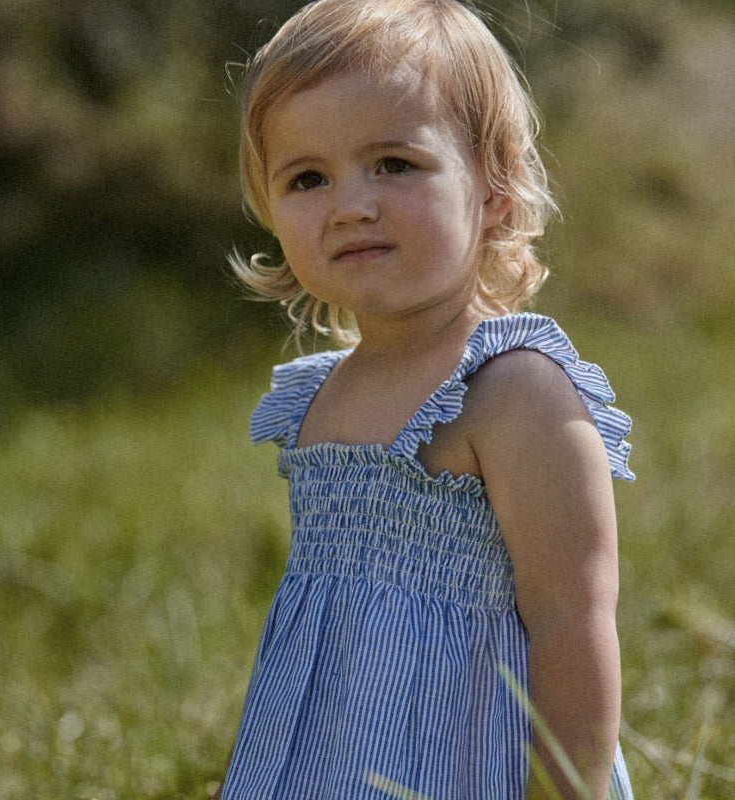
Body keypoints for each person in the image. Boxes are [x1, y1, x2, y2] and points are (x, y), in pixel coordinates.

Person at [216, 1, 635, 797]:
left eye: (395, 164)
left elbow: (572, 623)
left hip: (469, 758)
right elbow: (322, 641)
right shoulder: (322, 393)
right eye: (307, 178)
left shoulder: (512, 391)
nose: (351, 204)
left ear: (494, 188)